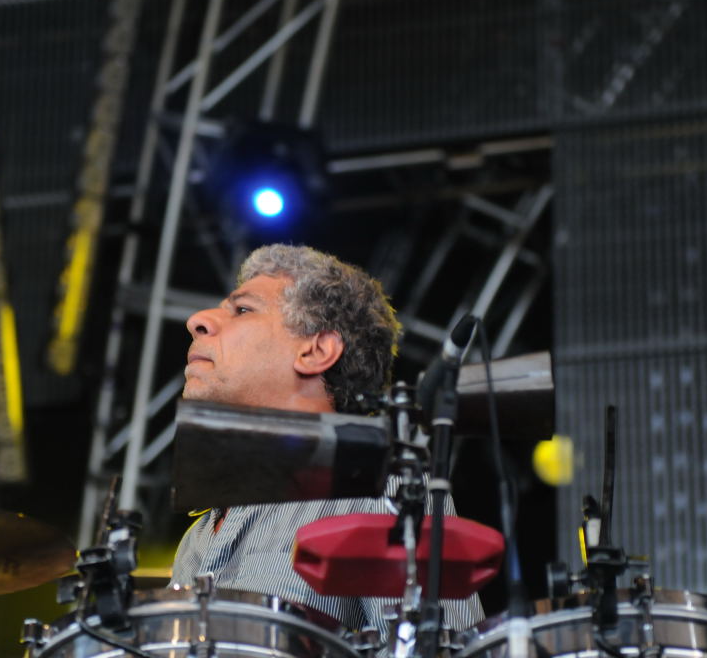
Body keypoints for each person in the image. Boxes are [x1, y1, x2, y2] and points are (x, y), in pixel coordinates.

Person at [170, 243, 484, 641]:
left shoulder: (381, 485)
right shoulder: (196, 538)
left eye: (243, 309)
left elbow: (442, 649)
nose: (197, 320)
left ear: (315, 351)